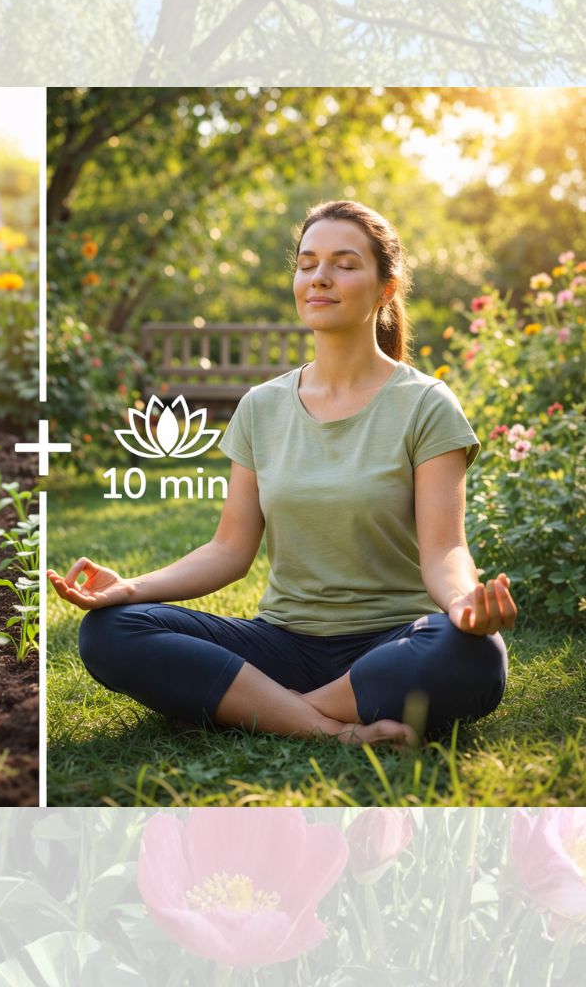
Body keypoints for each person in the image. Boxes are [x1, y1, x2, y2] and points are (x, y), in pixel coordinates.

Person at [49, 200, 514, 745]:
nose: (320, 277)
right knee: (110, 630)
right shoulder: (261, 407)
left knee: (473, 653)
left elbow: (444, 550)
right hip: (282, 646)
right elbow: (229, 551)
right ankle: (329, 728)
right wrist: (130, 587)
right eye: (307, 263)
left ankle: (258, 710)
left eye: (344, 264)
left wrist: (462, 602)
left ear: (386, 289)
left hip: (390, 644)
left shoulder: (426, 404)